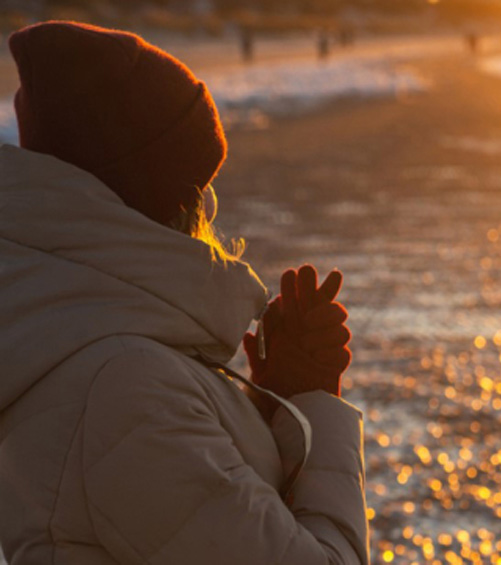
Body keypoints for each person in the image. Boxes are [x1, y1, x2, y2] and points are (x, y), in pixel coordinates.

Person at [0, 21, 368, 564]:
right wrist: (318, 405)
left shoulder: (77, 340)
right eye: (198, 188)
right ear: (162, 198)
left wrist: (280, 408)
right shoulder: (125, 388)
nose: (207, 216)